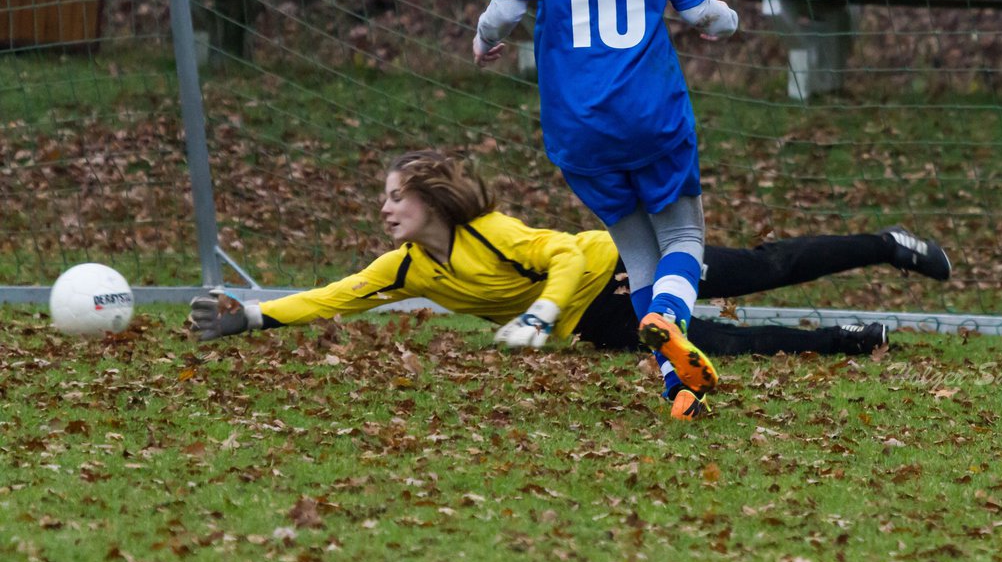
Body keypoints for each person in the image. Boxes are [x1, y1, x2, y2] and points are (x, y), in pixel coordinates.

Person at [191, 151, 953, 420]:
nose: (386, 208)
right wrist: (250, 316)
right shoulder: (407, 269)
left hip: (627, 266)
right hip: (602, 324)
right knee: (722, 343)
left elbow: (568, 257)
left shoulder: (494, 231)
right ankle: (844, 341)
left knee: (770, 266)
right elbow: (333, 295)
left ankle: (887, 245)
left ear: (429, 197)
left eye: (396, 195)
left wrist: (542, 312)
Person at [469, 0, 742, 417]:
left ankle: (678, 388)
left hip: (578, 131)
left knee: (637, 253)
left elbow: (504, 12)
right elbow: (701, 13)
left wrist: (483, 42)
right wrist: (728, 20)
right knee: (683, 241)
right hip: (652, 117)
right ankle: (671, 318)